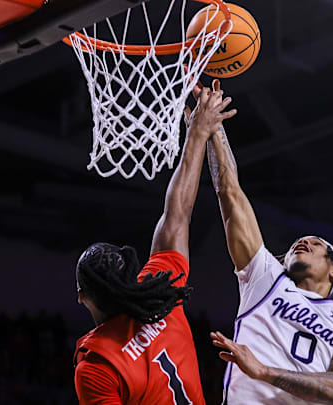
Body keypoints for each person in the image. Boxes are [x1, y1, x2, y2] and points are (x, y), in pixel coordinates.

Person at [201, 79, 333, 404]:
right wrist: (213, 128)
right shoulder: (265, 277)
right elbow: (230, 193)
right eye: (298, 242)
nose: (302, 243)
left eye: (316, 244)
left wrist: (262, 371)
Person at [73, 81, 237, 404]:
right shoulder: (161, 295)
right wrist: (198, 134)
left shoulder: (98, 365)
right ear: (132, 275)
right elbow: (177, 214)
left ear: (82, 297)